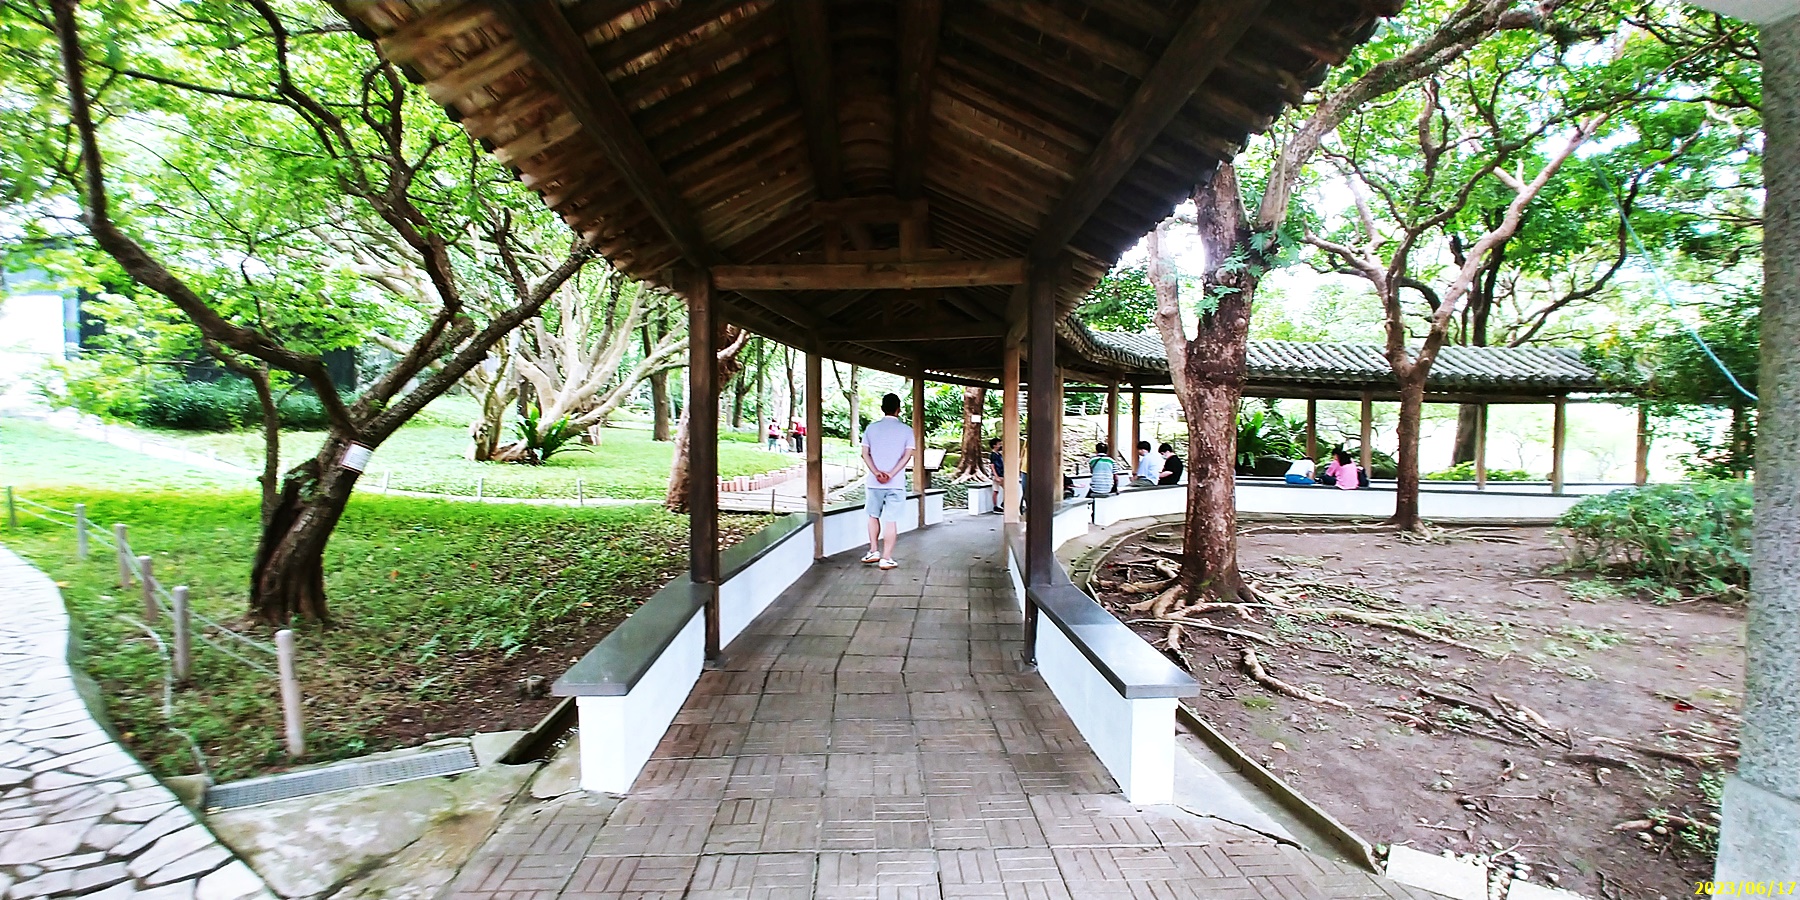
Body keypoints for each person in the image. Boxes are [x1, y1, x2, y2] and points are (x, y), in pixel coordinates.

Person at [860, 393, 915, 570]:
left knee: (873, 515)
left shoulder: (871, 428)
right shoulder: (907, 430)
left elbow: (865, 453)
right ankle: (886, 558)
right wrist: (891, 474)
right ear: (898, 409)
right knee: (891, 520)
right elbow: (907, 456)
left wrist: (876, 472)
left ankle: (873, 551)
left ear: (882, 408)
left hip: (874, 482)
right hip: (896, 483)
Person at [987, 437, 1005, 514]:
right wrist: (996, 476)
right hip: (997, 475)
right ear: (994, 445)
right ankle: (997, 506)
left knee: (996, 490)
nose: (1000, 445)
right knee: (998, 490)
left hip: (1001, 474)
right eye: (999, 444)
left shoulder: (999, 454)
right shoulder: (993, 455)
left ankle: (998, 505)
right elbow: (992, 466)